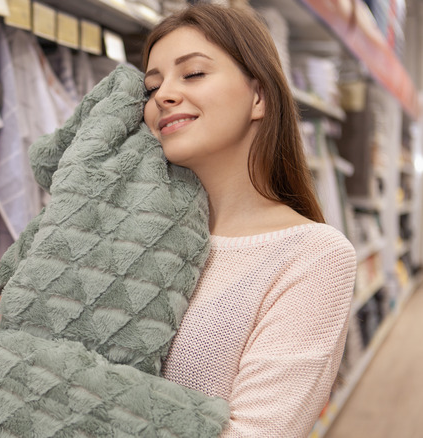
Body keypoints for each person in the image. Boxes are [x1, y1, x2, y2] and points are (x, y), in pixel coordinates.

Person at [142, 3, 357, 437]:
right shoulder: (139, 231)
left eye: (193, 73)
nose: (163, 95)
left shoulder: (314, 257)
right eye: (152, 85)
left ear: (259, 97)